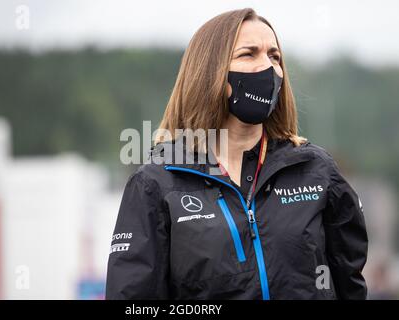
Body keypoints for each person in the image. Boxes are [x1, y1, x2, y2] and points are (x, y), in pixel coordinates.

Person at [106, 8, 368, 300]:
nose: (267, 67)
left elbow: (351, 283)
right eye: (249, 54)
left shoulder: (316, 169)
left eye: (274, 56)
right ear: (211, 71)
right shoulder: (156, 182)